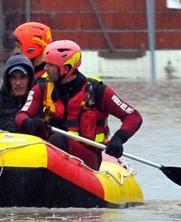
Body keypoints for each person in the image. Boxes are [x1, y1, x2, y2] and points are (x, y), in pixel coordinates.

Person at [15, 40, 142, 170]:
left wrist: (119, 138)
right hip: (49, 154)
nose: (45, 68)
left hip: (88, 158)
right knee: (52, 141)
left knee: (58, 140)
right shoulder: (40, 90)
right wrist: (30, 123)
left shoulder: (97, 91)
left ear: (67, 68)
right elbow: (21, 115)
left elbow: (133, 116)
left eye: (51, 65)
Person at [0, 53, 35, 132]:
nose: (18, 83)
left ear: (30, 80)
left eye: (22, 77)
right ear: (7, 80)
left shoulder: (38, 101)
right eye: (13, 77)